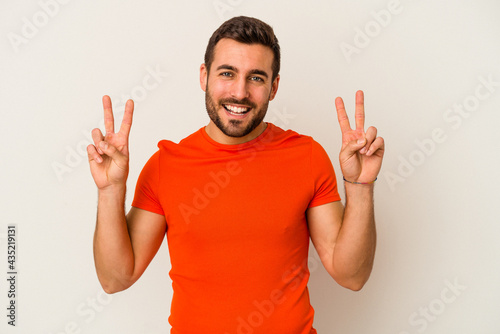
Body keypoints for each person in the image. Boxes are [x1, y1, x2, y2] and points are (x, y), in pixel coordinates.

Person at [87, 16, 384, 334]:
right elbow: (115, 278)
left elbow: (351, 276)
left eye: (256, 78)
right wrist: (110, 190)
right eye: (227, 73)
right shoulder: (165, 165)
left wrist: (361, 184)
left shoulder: (307, 156)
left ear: (274, 87)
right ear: (204, 76)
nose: (240, 92)